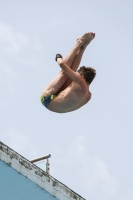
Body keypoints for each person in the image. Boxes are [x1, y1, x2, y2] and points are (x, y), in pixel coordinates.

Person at [40, 32, 96, 113]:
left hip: (46, 99)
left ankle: (79, 43)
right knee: (70, 72)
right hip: (56, 107)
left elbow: (62, 64)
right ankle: (83, 46)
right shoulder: (88, 96)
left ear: (82, 77)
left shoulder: (80, 81)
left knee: (64, 73)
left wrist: (58, 57)